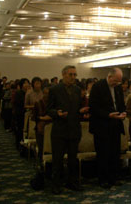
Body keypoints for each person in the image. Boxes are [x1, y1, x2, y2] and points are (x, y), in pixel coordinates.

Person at [47, 65, 89, 194]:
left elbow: (76, 109)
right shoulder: (54, 89)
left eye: (75, 75)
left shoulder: (77, 90)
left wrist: (81, 112)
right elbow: (49, 109)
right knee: (57, 160)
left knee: (73, 159)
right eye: (71, 75)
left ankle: (72, 182)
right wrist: (57, 113)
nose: (73, 77)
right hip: (60, 130)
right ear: (63, 75)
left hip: (74, 129)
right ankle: (56, 184)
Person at [89, 68, 126, 189]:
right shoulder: (98, 87)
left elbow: (120, 104)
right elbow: (93, 107)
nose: (117, 84)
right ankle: (103, 179)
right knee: (103, 154)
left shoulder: (118, 87)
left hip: (115, 125)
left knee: (115, 153)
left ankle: (113, 177)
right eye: (115, 81)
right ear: (110, 77)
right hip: (102, 126)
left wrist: (123, 113)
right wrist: (108, 115)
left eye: (119, 82)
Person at [33, 86, 51, 164]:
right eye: (45, 93)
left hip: (51, 128)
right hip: (40, 129)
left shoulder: (53, 103)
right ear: (43, 94)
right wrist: (43, 118)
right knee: (41, 148)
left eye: (49, 94)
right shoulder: (38, 103)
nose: (47, 95)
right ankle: (40, 165)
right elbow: (34, 117)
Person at [13, 78, 30, 150]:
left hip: (28, 114)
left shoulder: (30, 93)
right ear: (21, 85)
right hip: (20, 114)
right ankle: (19, 145)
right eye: (24, 83)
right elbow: (20, 104)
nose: (26, 84)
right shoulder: (18, 93)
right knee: (20, 130)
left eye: (27, 83)